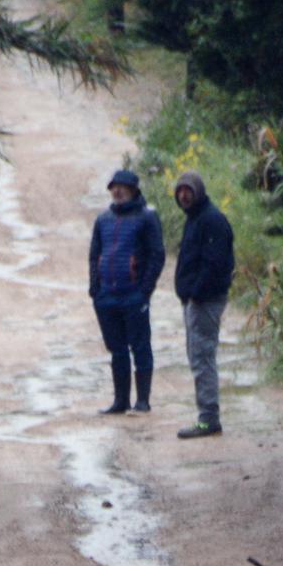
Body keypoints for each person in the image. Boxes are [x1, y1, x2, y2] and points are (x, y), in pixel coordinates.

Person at [88, 169, 165, 415]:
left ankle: (142, 401)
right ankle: (120, 401)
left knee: (140, 347)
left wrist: (144, 291)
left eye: (122, 187)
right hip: (107, 296)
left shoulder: (147, 218)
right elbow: (94, 255)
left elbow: (157, 255)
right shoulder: (103, 220)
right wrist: (95, 289)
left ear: (133, 190)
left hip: (133, 295)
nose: (117, 191)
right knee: (117, 350)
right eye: (114, 187)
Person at [172, 170, 234, 439]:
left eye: (189, 190)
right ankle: (207, 416)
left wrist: (196, 294)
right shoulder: (195, 218)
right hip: (195, 301)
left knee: (202, 357)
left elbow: (216, 263)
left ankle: (208, 419)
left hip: (205, 301)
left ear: (198, 192)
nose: (184, 196)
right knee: (197, 355)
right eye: (180, 191)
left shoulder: (211, 219)